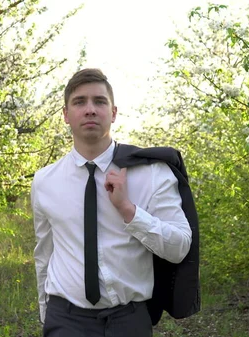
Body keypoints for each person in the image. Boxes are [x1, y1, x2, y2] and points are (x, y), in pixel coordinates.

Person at [31, 68, 192, 337]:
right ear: (66, 115)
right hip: (65, 318)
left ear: (114, 113)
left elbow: (180, 247)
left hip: (128, 319)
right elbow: (44, 253)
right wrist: (46, 313)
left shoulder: (152, 173)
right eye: (80, 102)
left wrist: (129, 211)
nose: (90, 109)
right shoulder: (45, 181)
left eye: (100, 101)